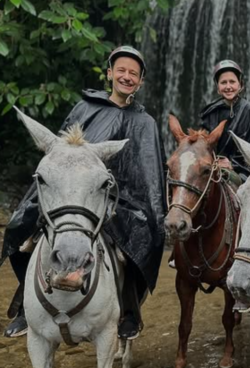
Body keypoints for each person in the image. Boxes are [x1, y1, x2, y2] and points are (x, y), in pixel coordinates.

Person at [2, 45, 166, 340]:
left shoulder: (146, 123)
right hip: (71, 190)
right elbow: (59, 153)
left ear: (140, 81)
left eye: (133, 74)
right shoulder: (84, 108)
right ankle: (28, 305)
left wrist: (155, 216)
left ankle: (129, 311)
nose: (127, 77)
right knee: (20, 228)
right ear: (109, 74)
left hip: (122, 199)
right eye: (122, 71)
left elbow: (150, 177)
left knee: (140, 239)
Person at [199, 59, 250, 180]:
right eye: (223, 82)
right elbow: (203, 145)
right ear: (217, 87)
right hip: (213, 168)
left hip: (244, 172)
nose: (228, 86)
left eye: (232, 82)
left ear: (240, 84)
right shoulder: (210, 112)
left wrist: (232, 164)